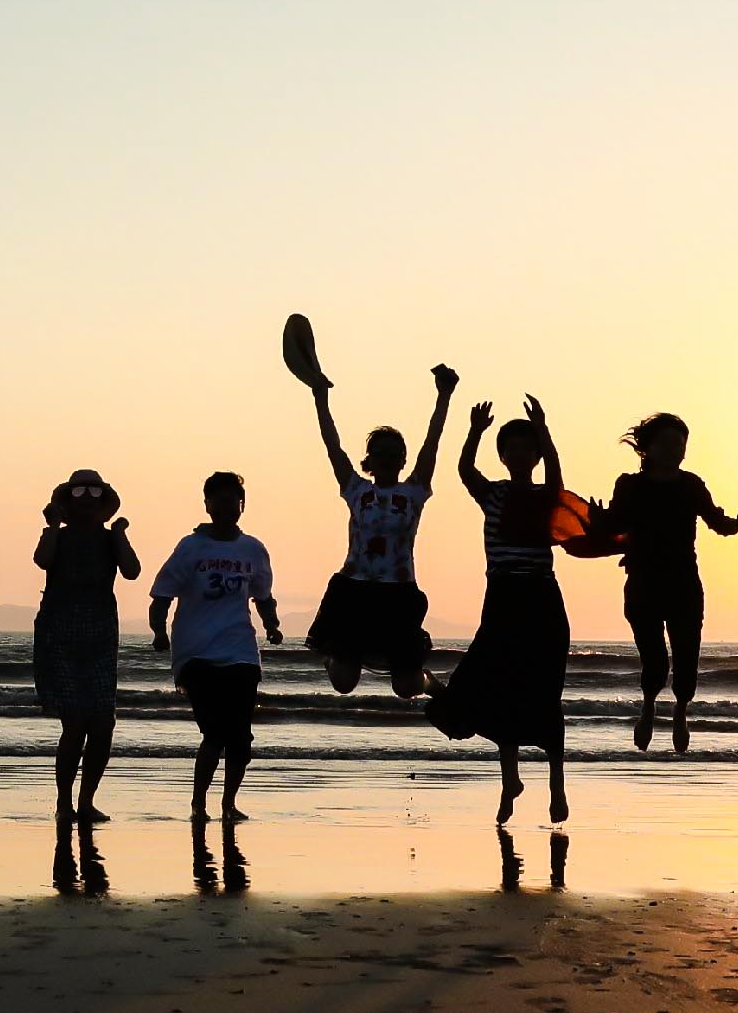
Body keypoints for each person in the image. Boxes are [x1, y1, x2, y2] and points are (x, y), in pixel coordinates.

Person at [428, 396, 579, 821]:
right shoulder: (492, 493)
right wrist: (475, 431)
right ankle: (510, 779)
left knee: (545, 694)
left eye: (527, 448)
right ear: (503, 456)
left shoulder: (546, 496)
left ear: (535, 455)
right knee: (497, 689)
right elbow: (465, 471)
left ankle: (557, 785)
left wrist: (544, 429)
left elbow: (557, 474)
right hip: (502, 598)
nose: (520, 454)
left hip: (542, 599)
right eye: (511, 448)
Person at [296, 349, 459, 698]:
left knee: (406, 687)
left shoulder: (414, 491)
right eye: (379, 453)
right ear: (369, 460)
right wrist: (320, 398)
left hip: (397, 592)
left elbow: (432, 442)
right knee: (344, 683)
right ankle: (332, 658)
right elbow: (332, 445)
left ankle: (428, 680)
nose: (386, 458)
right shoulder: (356, 490)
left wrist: (444, 397)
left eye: (393, 453)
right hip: (353, 590)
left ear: (402, 460)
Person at [599, 413, 738, 751]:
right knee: (655, 661)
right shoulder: (630, 485)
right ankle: (648, 708)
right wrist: (598, 518)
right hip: (642, 583)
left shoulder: (691, 485)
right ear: (647, 447)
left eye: (681, 444)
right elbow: (613, 525)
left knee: (687, 658)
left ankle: (680, 711)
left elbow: (720, 524)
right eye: (667, 443)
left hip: (684, 583)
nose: (675, 450)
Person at [149, 472, 278, 820]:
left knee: (241, 738)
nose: (226, 505)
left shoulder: (253, 549)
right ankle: (198, 804)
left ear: (242, 505)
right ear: (207, 504)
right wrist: (159, 632)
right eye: (218, 499)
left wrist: (272, 624)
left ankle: (229, 804)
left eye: (233, 499)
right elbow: (161, 594)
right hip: (197, 654)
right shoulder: (191, 548)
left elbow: (263, 595)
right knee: (215, 732)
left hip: (241, 652)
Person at [30, 469, 140, 822]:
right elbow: (43, 560)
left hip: (101, 634)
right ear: (68, 500)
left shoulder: (110, 539)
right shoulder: (57, 536)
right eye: (79, 492)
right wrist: (52, 526)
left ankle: (87, 800)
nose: (87, 498)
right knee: (75, 724)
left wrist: (120, 534)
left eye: (94, 492)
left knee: (103, 724)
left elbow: (132, 570)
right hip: (59, 634)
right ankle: (64, 803)